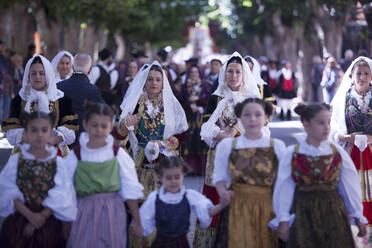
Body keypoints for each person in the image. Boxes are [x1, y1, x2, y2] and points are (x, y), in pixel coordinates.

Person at [270, 103, 367, 248]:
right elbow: (284, 188)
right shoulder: (293, 153)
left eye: (328, 122)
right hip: (302, 213)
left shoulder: (337, 152)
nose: (327, 127)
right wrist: (283, 219)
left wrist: (357, 215)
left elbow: (349, 186)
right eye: (321, 123)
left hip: (333, 213)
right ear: (306, 124)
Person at [194, 52, 260, 248]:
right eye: (230, 71)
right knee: (218, 194)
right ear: (224, 74)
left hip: (244, 156)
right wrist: (224, 135)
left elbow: (262, 129)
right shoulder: (216, 98)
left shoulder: (252, 98)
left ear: (244, 74)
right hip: (219, 154)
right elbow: (205, 127)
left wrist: (238, 134)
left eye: (237, 72)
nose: (233, 75)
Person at [65, 102, 144, 248]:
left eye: (103, 126)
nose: (98, 130)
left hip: (112, 211)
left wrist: (137, 220)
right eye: (94, 125)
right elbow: (66, 190)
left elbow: (129, 188)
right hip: (83, 211)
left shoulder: (118, 155)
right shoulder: (76, 155)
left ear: (110, 127)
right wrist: (65, 221)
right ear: (85, 124)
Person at [212, 98, 285, 248]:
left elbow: (284, 184)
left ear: (266, 118)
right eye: (247, 115)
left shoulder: (277, 146)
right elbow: (219, 178)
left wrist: (283, 217)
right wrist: (223, 193)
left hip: (268, 207)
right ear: (240, 118)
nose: (252, 119)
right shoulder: (227, 146)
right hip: (236, 208)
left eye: (258, 114)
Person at [0, 111, 77, 247]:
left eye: (44, 130)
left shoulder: (57, 162)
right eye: (34, 130)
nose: (39, 134)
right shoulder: (16, 161)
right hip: (21, 219)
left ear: (51, 134)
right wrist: (30, 216)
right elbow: (9, 190)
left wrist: (41, 217)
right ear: (25, 134)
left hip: (49, 220)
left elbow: (62, 193)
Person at [139, 156, 229, 248]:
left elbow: (208, 211)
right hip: (160, 244)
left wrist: (221, 205)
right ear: (161, 178)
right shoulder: (154, 198)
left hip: (181, 244)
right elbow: (144, 222)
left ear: (183, 176)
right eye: (169, 178)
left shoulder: (190, 196)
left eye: (177, 177)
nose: (173, 181)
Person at [330, 56, 372, 247]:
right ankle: (355, 239)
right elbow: (334, 130)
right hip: (350, 155)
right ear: (352, 76)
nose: (362, 77)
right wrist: (348, 138)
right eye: (358, 74)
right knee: (352, 196)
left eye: (366, 73)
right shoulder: (343, 99)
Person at [2, 55, 78, 157]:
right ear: (28, 76)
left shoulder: (62, 100)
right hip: (25, 153)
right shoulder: (19, 100)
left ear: (47, 75)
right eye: (33, 73)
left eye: (41, 73)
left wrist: (53, 139)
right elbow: (12, 135)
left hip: (56, 153)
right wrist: (30, 139)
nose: (37, 77)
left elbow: (70, 132)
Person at [57, 53, 104, 145]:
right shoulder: (93, 90)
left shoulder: (59, 86)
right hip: (83, 140)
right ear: (90, 70)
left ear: (73, 68)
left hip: (61, 139)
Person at [181, 64, 211, 175]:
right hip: (188, 118)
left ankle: (200, 169)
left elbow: (209, 101)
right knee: (188, 141)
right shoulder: (184, 87)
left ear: (199, 74)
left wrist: (198, 104)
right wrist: (190, 105)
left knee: (200, 142)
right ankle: (188, 169)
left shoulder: (205, 86)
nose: (194, 74)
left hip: (201, 118)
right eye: (192, 72)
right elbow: (181, 102)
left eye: (196, 72)